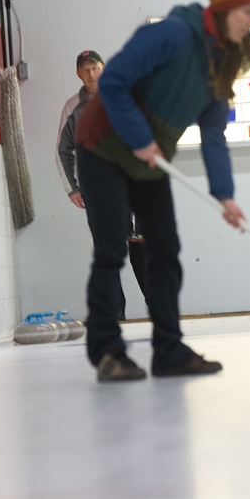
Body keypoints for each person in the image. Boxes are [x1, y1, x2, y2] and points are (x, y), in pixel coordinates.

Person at [74, 0, 250, 381]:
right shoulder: (173, 35)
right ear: (227, 7)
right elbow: (114, 82)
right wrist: (139, 137)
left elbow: (213, 134)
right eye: (249, 11)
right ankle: (108, 353)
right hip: (103, 146)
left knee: (165, 249)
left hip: (147, 160)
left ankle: (169, 351)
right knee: (111, 249)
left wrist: (224, 196)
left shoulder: (225, 60)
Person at [56, 49, 147, 319]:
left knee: (142, 249)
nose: (91, 73)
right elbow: (62, 150)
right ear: (78, 74)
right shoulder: (72, 107)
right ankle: (116, 313)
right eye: (84, 70)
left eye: (94, 67)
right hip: (99, 190)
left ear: (104, 68)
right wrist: (72, 188)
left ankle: (158, 308)